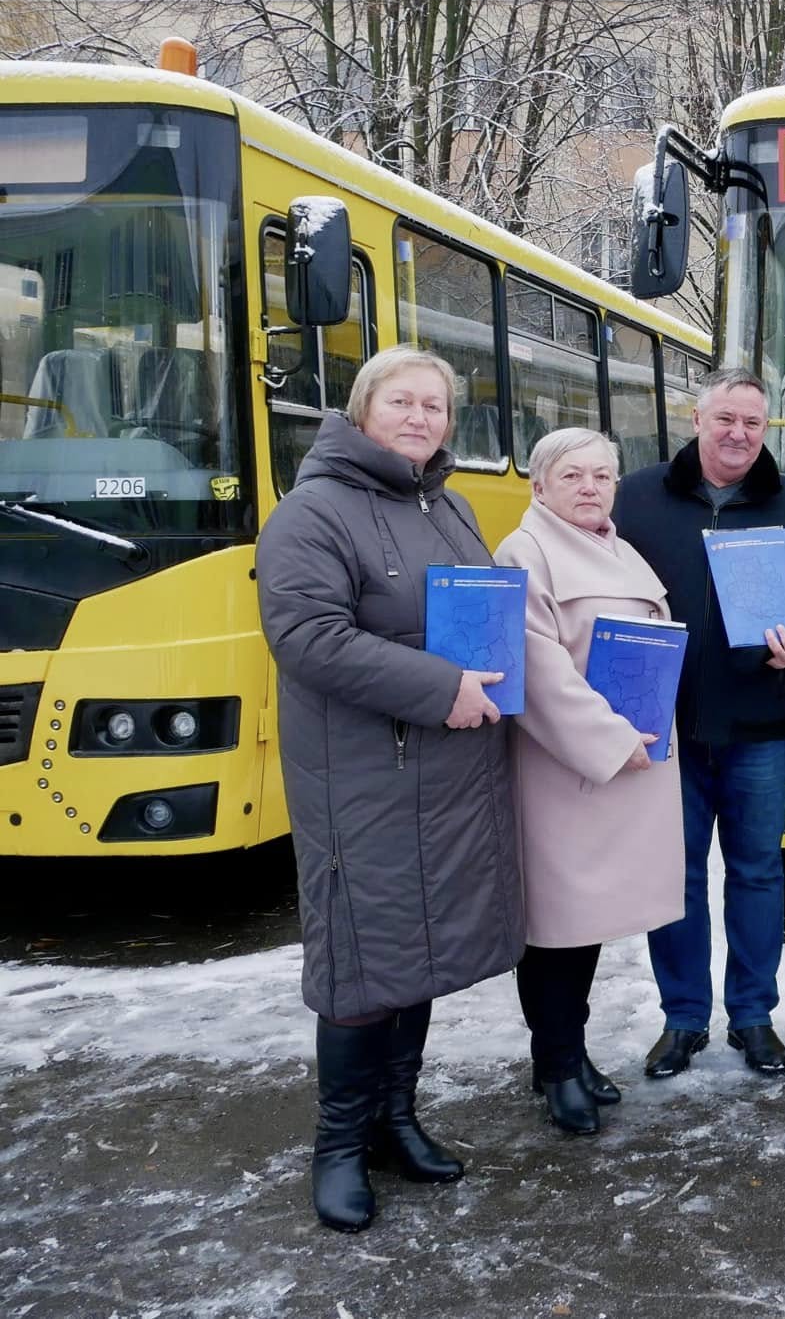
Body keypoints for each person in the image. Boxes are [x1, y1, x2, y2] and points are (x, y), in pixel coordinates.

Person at [256, 344, 522, 1233]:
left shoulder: (447, 506)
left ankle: (395, 1119)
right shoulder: (312, 513)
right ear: (363, 410)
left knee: (420, 957)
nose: (419, 418)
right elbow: (308, 637)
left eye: (435, 407)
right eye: (402, 403)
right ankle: (338, 1145)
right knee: (361, 969)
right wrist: (442, 688)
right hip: (364, 780)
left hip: (448, 775)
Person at [612, 369, 785, 1079]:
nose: (739, 434)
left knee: (756, 873)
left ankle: (752, 1016)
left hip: (759, 726)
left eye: (753, 423)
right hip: (665, 727)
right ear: (697, 420)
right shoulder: (636, 498)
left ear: (766, 430)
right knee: (672, 878)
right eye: (726, 420)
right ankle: (683, 1019)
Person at [494, 428, 687, 1135]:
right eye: (572, 475)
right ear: (539, 485)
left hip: (619, 769)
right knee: (555, 932)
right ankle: (554, 1067)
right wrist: (609, 741)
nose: (589, 488)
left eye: (602, 476)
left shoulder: (619, 548)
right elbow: (536, 668)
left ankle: (572, 1056)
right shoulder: (526, 551)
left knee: (587, 929)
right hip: (566, 774)